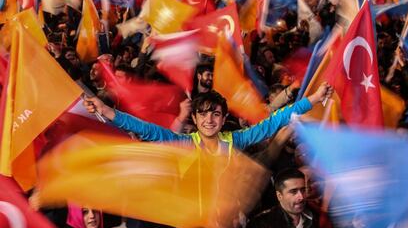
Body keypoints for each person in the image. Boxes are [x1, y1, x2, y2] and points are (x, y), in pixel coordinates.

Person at [83, 83, 333, 154]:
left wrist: (313, 98)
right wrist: (105, 111)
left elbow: (274, 121)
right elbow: (145, 129)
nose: (209, 120)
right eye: (203, 114)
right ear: (194, 117)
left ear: (224, 119)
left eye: (215, 114)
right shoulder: (183, 143)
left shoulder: (236, 140)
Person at [245, 168, 320, 228]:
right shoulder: (260, 224)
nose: (301, 197)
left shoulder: (313, 217)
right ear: (279, 196)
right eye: (293, 191)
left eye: (303, 190)